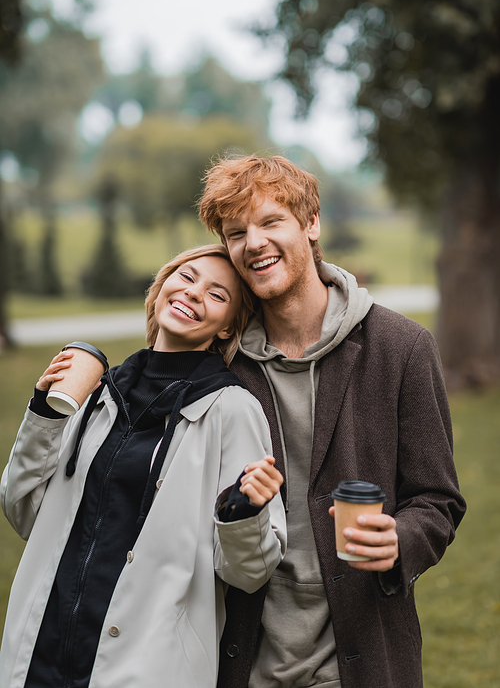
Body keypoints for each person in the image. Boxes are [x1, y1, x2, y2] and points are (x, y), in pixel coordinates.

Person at [198, 155, 467, 688]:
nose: (253, 243)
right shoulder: (220, 362)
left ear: (311, 223)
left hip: (359, 658)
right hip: (242, 657)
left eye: (271, 221)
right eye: (236, 232)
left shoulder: (402, 348)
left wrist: (400, 540)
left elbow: (438, 500)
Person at [0, 244, 286, 688]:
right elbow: (23, 514)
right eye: (187, 278)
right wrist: (46, 415)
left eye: (216, 294)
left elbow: (248, 573)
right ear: (160, 290)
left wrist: (244, 511)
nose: (193, 294)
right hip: (42, 652)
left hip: (146, 665)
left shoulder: (233, 411)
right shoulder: (97, 394)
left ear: (229, 327)